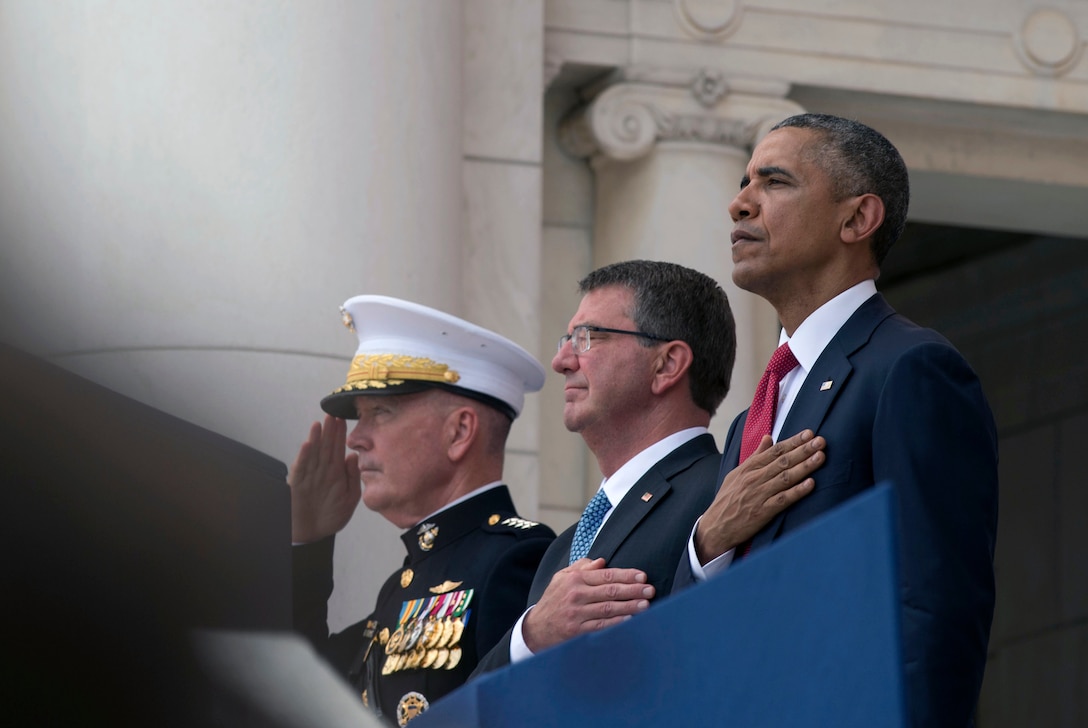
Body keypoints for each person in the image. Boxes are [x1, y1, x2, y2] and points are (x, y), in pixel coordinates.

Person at [678, 113, 999, 728]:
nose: (739, 205)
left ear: (857, 219)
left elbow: (934, 610)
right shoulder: (754, 415)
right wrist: (706, 544)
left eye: (774, 182)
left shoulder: (911, 368)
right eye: (745, 182)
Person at [472, 259, 825, 675]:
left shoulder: (725, 493)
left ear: (667, 364)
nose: (562, 360)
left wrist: (705, 552)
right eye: (567, 338)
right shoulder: (562, 549)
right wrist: (531, 635)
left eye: (587, 338)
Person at [290, 295, 556, 726]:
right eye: (360, 417)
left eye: (380, 412)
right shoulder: (406, 583)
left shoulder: (515, 559)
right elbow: (294, 689)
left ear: (459, 431)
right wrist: (307, 542)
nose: (356, 439)